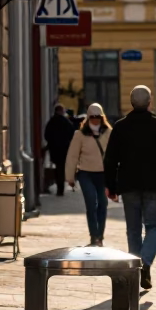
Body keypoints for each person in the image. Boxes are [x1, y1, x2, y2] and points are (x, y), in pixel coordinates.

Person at [103, 85, 156, 291]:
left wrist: (111, 186)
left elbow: (110, 159)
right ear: (149, 102)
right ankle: (145, 263)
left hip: (128, 185)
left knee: (133, 230)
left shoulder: (120, 127)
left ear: (131, 102)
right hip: (154, 184)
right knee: (153, 227)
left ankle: (136, 270)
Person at [65, 104, 112, 246]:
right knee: (91, 203)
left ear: (102, 117)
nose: (96, 120)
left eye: (98, 117)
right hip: (85, 174)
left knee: (103, 204)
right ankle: (94, 236)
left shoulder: (109, 133)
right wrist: (70, 177)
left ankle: (100, 236)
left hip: (103, 174)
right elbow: (72, 156)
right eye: (93, 117)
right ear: (88, 117)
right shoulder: (79, 135)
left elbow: (114, 155)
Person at [43, 103, 75, 196]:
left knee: (58, 168)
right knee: (62, 168)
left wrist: (52, 143)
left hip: (54, 149)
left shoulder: (51, 122)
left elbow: (46, 135)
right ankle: (61, 188)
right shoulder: (66, 121)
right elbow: (72, 133)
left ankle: (59, 187)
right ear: (60, 111)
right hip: (64, 149)